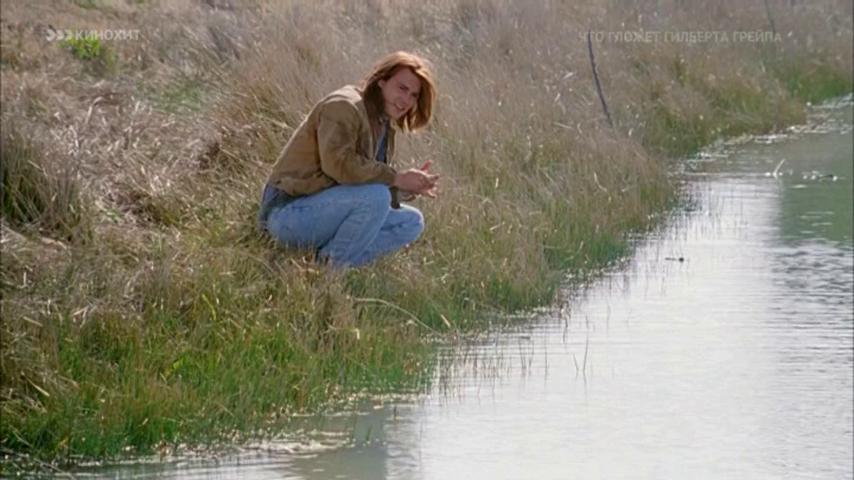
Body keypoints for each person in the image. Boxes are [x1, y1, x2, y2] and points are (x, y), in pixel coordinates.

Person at [258, 51, 439, 268]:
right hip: (286, 214)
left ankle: (324, 262)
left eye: (414, 95)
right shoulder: (344, 106)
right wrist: (396, 178)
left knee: (411, 222)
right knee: (377, 197)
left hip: (321, 211)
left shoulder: (382, 121)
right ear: (381, 81)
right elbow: (337, 165)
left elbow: (357, 187)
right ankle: (329, 271)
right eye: (402, 88)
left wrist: (403, 189)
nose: (406, 100)